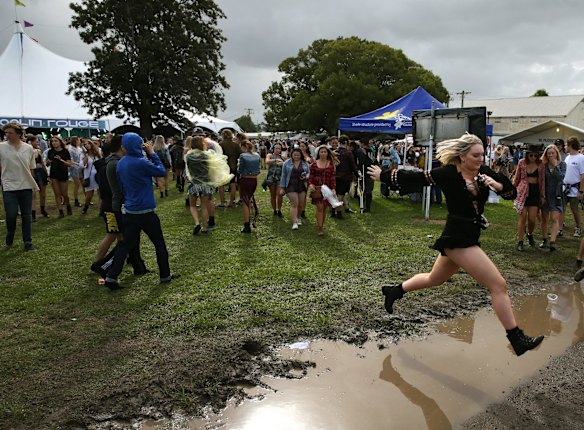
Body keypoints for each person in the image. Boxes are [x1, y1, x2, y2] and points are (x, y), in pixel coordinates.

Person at [368, 133, 544, 357]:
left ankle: (395, 290)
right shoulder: (449, 173)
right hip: (457, 237)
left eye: (482, 155)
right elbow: (418, 178)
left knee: (435, 279)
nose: (480, 159)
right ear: (462, 156)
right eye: (475, 155)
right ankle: (516, 338)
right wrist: (382, 175)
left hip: (470, 234)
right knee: (499, 285)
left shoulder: (484, 172)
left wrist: (496, 184)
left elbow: (510, 192)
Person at [103, 133, 179, 290]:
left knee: (125, 245)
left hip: (130, 211)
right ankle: (165, 275)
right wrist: (152, 153)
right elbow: (161, 171)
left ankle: (111, 276)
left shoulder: (121, 163)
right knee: (159, 244)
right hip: (146, 211)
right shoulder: (141, 162)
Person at [0, 122, 39, 251]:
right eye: (6, 133)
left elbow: (31, 168)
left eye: (10, 133)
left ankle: (28, 242)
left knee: (26, 215)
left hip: (25, 185)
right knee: (11, 214)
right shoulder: (1, 147)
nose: (7, 135)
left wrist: (33, 185)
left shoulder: (28, 148)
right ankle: (10, 234)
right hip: (9, 185)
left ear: (18, 134)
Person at [184, 136, 231, 234]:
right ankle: (205, 227)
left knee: (192, 206)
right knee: (204, 206)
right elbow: (212, 169)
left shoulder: (188, 156)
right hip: (205, 183)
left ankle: (197, 223)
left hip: (193, 183)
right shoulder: (206, 156)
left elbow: (188, 170)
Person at [513, 145, 545, 251]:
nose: (533, 157)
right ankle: (520, 242)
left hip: (535, 192)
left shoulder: (541, 164)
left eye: (536, 155)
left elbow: (543, 181)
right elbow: (517, 177)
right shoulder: (522, 162)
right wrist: (513, 191)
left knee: (532, 219)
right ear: (527, 154)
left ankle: (529, 233)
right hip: (523, 191)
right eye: (531, 155)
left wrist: (542, 195)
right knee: (522, 218)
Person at [539, 145, 566, 251]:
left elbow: (561, 177)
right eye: (548, 153)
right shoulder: (543, 166)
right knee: (544, 218)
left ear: (556, 153)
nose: (550, 155)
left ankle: (552, 242)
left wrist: (556, 166)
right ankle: (545, 239)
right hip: (545, 195)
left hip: (557, 195)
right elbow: (541, 181)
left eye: (552, 153)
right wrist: (542, 195)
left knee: (554, 218)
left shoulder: (562, 164)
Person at [308, 145, 338, 236]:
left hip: (327, 189)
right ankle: (320, 227)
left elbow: (333, 177)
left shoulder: (330, 164)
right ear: (318, 153)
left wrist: (333, 188)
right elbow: (311, 176)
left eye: (325, 152)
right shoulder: (314, 164)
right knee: (320, 208)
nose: (323, 153)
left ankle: (321, 224)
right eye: (322, 152)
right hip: (317, 188)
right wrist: (311, 184)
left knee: (324, 208)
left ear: (327, 153)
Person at [279, 147, 310, 230]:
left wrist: (306, 177)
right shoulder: (286, 163)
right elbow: (283, 175)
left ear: (301, 155)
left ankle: (298, 217)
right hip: (290, 185)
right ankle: (294, 223)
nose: (296, 156)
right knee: (294, 204)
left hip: (302, 185)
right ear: (291, 155)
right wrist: (282, 188)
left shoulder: (305, 163)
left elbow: (309, 173)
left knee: (300, 204)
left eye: (298, 155)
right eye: (294, 155)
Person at [562, 136, 584, 238]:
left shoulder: (581, 158)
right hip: (565, 188)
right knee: (561, 208)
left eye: (566, 145)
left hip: (575, 189)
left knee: (574, 209)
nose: (565, 146)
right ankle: (559, 228)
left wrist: (581, 191)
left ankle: (578, 227)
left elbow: (582, 175)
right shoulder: (567, 157)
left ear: (571, 145)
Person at [46, 135, 72, 218]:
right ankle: (60, 211)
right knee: (57, 194)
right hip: (54, 174)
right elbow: (47, 163)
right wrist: (48, 162)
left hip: (63, 173)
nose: (53, 143)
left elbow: (69, 164)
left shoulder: (65, 151)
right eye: (52, 141)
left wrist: (61, 160)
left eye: (55, 141)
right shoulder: (50, 152)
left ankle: (68, 205)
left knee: (64, 194)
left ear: (60, 142)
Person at [237, 140, 261, 233]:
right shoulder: (257, 155)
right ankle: (249, 221)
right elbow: (258, 170)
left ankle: (246, 224)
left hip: (245, 179)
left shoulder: (242, 156)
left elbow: (240, 170)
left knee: (245, 202)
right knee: (249, 199)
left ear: (243, 147)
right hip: (254, 180)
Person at [334, 135, 358, 218]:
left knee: (336, 194)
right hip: (345, 176)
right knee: (341, 195)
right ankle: (338, 212)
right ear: (346, 143)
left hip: (335, 176)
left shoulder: (335, 152)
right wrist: (357, 174)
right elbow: (352, 165)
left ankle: (334, 211)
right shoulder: (348, 153)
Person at [26, 135, 49, 219]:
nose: (38, 143)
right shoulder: (26, 151)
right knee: (33, 194)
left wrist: (47, 174)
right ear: (30, 142)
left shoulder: (38, 150)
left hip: (40, 172)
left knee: (42, 193)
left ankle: (43, 209)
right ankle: (33, 213)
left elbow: (42, 163)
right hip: (31, 172)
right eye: (36, 141)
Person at [218, 129, 241, 207]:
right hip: (233, 166)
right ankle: (231, 201)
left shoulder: (220, 144)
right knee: (233, 183)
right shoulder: (236, 145)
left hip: (223, 166)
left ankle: (222, 202)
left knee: (221, 184)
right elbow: (239, 155)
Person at [80, 138, 102, 214]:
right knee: (89, 194)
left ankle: (101, 210)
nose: (86, 145)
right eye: (85, 144)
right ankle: (85, 208)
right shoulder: (83, 154)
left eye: (88, 144)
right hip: (89, 175)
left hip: (98, 174)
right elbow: (82, 165)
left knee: (101, 193)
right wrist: (86, 156)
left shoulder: (98, 151)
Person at [265, 143, 285, 216]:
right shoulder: (270, 155)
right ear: (273, 149)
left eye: (279, 148)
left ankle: (279, 209)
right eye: (276, 148)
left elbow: (288, 163)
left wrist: (283, 163)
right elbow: (267, 161)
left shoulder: (282, 157)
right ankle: (274, 210)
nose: (278, 150)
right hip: (271, 178)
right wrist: (275, 160)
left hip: (280, 178)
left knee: (279, 194)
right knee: (272, 195)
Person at [68, 136, 84, 207]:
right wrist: (78, 164)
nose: (80, 141)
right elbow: (71, 160)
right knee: (77, 184)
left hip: (81, 168)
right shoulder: (70, 149)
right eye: (78, 140)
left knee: (84, 184)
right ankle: (76, 200)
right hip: (74, 168)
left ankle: (87, 198)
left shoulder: (79, 148)